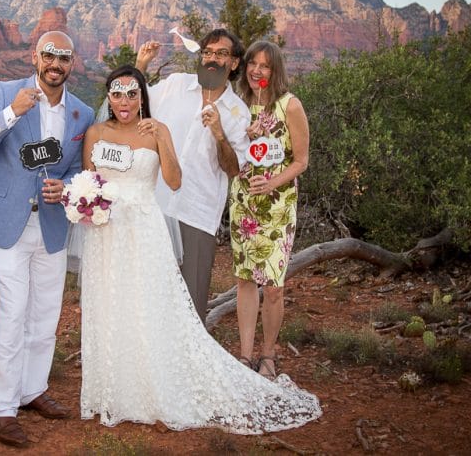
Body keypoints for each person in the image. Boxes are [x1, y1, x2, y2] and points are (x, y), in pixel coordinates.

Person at [78, 65, 321, 433]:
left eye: (132, 93)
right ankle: (112, 389)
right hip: (105, 236)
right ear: (108, 96)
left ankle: (150, 388)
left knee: (146, 307)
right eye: (117, 92)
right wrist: (86, 203)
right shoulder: (95, 133)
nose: (124, 100)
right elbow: (88, 180)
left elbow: (174, 182)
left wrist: (161, 137)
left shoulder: (156, 129)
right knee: (109, 305)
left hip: (143, 231)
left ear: (143, 96)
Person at [0, 31, 95, 447]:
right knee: (11, 314)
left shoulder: (82, 112)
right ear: (34, 56)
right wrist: (11, 114)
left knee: (44, 316)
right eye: (49, 55)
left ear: (72, 63)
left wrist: (67, 186)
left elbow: (78, 167)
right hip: (8, 224)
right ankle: (1, 408)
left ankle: (32, 389)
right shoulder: (6, 92)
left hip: (52, 225)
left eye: (64, 58)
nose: (56, 64)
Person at [136, 29, 251, 324]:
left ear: (235, 63)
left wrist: (219, 133)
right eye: (208, 52)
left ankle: (187, 368)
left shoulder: (238, 112)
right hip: (156, 204)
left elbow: (235, 169)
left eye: (221, 53)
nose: (212, 59)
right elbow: (132, 105)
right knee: (145, 293)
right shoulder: (176, 85)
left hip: (197, 213)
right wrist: (140, 66)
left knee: (190, 302)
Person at [230, 41, 310, 379]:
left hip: (277, 207)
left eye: (265, 65)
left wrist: (273, 182)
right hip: (243, 202)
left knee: (273, 285)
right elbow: (230, 151)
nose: (257, 71)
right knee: (245, 280)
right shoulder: (237, 106)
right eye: (252, 64)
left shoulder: (289, 105)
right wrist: (243, 136)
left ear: (275, 70)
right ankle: (246, 356)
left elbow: (302, 162)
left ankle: (268, 355)